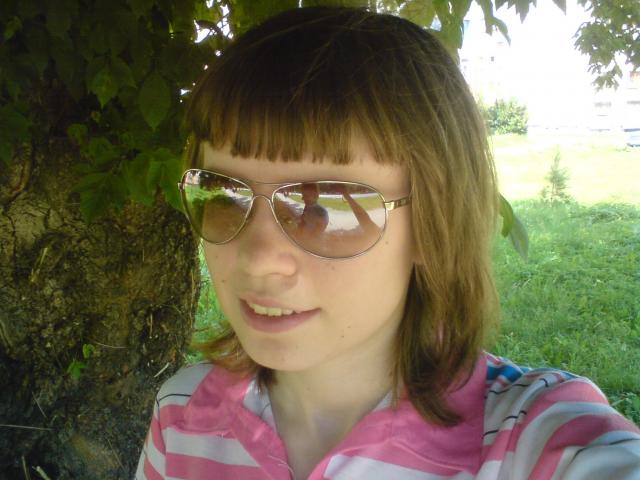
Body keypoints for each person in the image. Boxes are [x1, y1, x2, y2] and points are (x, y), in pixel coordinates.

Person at [136, 6, 640, 480]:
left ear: (433, 224)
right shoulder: (181, 415)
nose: (259, 259)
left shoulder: (538, 442)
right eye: (223, 195)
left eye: (328, 206)